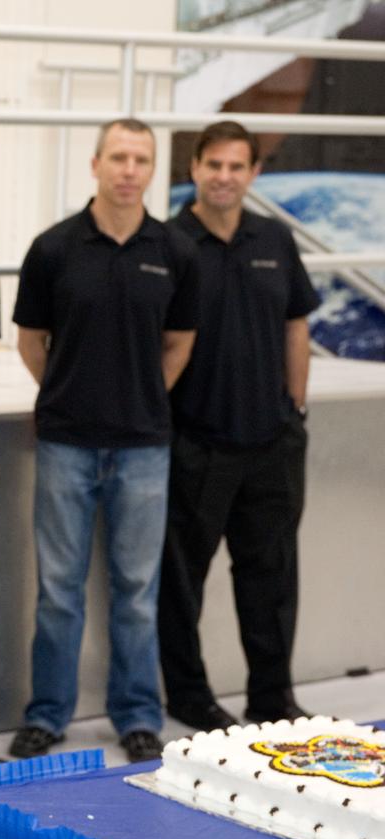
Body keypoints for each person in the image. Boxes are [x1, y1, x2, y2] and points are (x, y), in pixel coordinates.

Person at [9, 119, 199, 764]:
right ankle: (47, 715)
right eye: (118, 156)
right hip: (67, 441)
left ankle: (138, 715)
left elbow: (179, 342)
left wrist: (143, 394)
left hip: (146, 444)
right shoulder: (54, 247)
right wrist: (68, 391)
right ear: (95, 164)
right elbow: (31, 339)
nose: (129, 169)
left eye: (141, 159)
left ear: (151, 170)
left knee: (136, 590)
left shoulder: (174, 250)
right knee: (59, 589)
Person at [159, 120, 319, 732]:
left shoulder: (274, 238)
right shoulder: (171, 243)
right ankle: (189, 697)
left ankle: (272, 698)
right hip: (195, 443)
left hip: (271, 442)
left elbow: (296, 324)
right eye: (213, 165)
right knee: (182, 585)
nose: (224, 177)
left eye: (236, 167)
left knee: (272, 580)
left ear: (253, 173)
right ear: (195, 169)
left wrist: (294, 408)